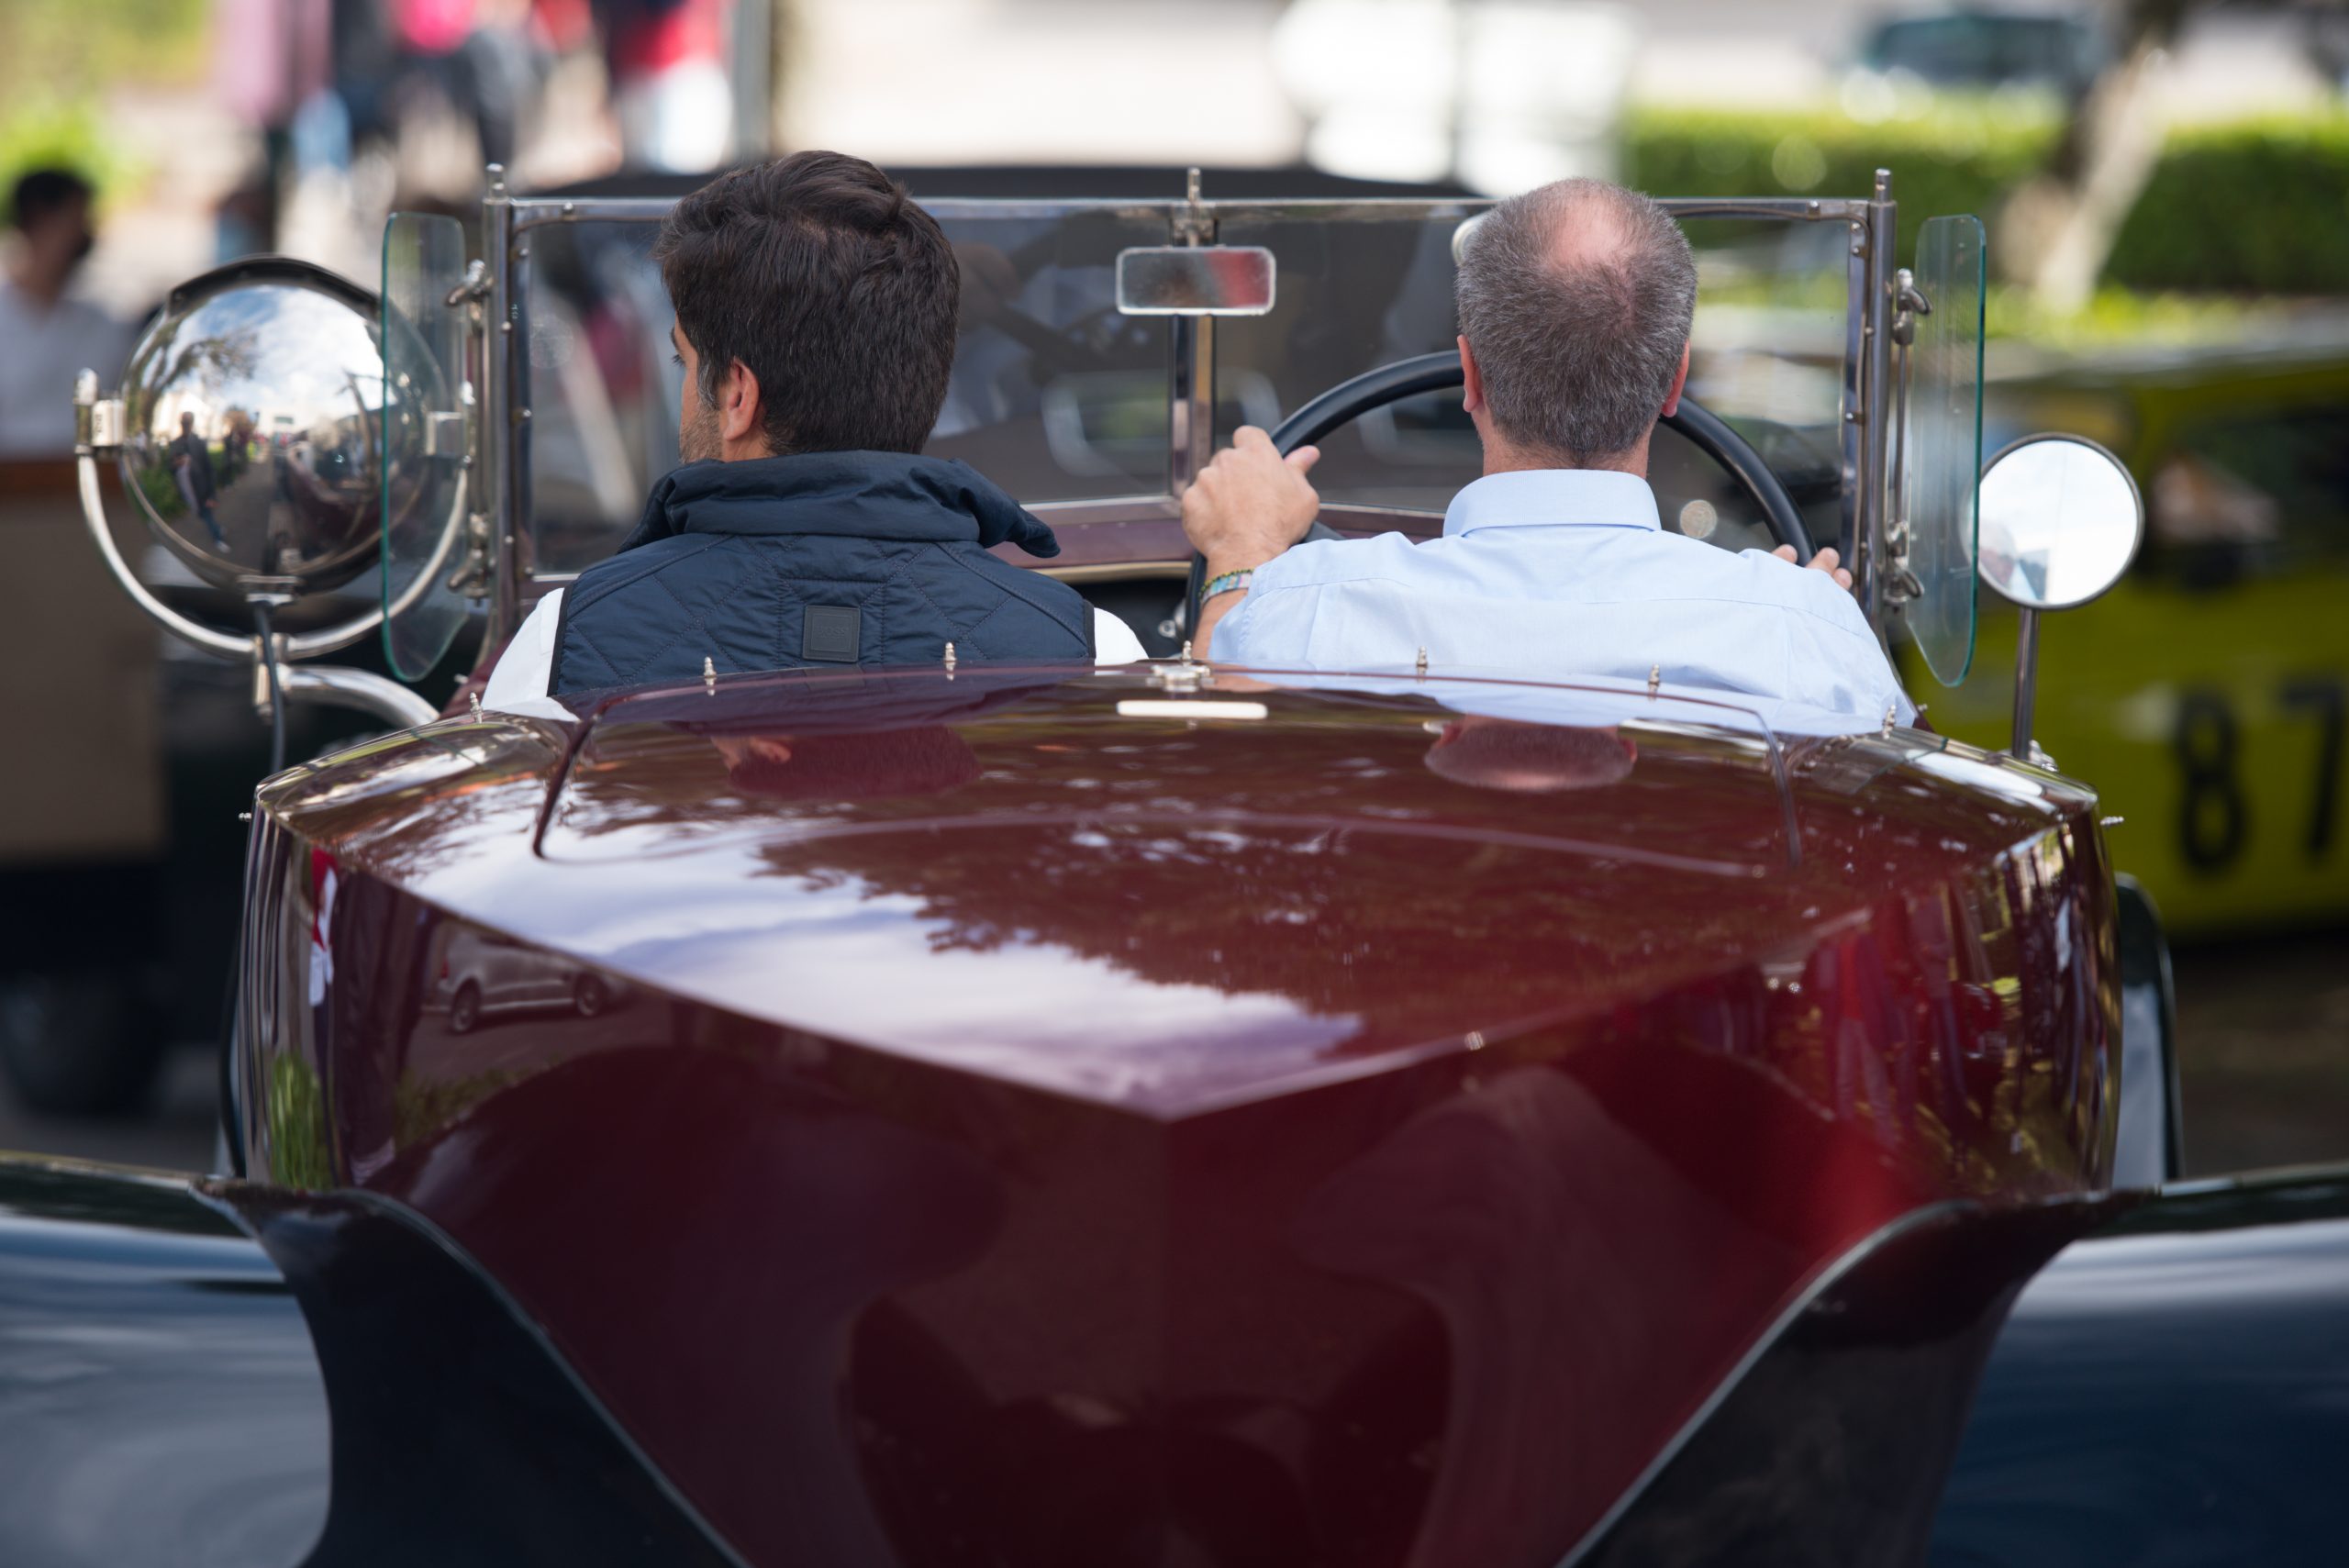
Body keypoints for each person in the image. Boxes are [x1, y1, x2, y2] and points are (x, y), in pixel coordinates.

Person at [1179, 177, 1913, 729]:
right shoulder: (1806, 631)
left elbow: (1214, 760)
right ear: (1675, 381)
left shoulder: (1307, 608)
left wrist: (1240, 553)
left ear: (1469, 375)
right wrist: (1788, 614)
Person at [484, 150, 1143, 716]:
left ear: (737, 395)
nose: (684, 390)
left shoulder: (560, 644)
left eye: (683, 362)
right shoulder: (1093, 650)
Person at [0, 169, 130, 458]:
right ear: (39, 219)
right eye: (76, 219)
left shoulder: (102, 326)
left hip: (86, 480)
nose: (85, 234)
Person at [168, 411, 230, 550]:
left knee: (207, 516)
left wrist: (212, 495)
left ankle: (218, 538)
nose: (185, 425)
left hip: (202, 490)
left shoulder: (198, 443)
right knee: (202, 514)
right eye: (184, 423)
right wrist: (177, 463)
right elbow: (170, 467)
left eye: (188, 423)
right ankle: (218, 530)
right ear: (181, 424)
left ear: (192, 424)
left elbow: (209, 469)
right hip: (187, 491)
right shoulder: (176, 444)